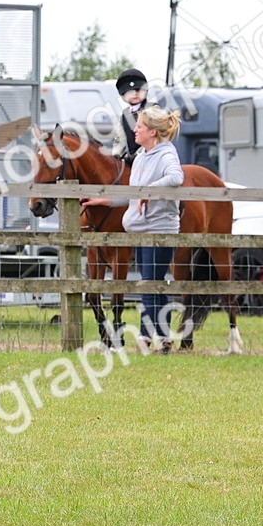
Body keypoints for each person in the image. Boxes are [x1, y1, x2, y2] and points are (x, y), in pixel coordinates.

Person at [85, 104, 184, 352]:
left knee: (151, 282)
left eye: (139, 126)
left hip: (159, 228)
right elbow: (133, 194)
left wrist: (149, 193)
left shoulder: (166, 154)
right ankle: (158, 336)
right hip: (140, 229)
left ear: (152, 132)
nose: (135, 130)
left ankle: (149, 336)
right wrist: (106, 200)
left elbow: (176, 177)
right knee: (152, 282)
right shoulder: (141, 156)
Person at [110, 68, 149, 163]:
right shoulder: (125, 115)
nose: (135, 94)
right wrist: (115, 157)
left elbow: (156, 138)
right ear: (123, 96)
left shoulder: (152, 109)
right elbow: (120, 139)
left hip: (152, 157)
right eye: (130, 92)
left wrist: (138, 154)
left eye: (138, 90)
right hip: (134, 160)